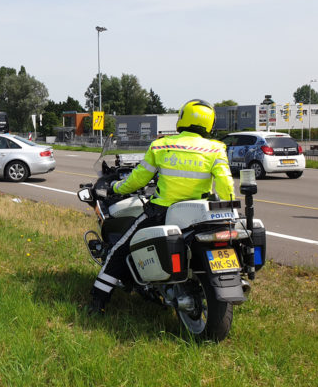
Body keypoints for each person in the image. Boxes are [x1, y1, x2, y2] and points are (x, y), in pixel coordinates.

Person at [90, 99, 235, 314]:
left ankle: (97, 302)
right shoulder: (216, 148)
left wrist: (116, 187)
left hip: (162, 211)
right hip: (200, 215)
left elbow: (138, 180)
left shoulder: (162, 145)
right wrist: (227, 207)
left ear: (182, 119)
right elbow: (225, 184)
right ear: (210, 123)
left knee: (119, 249)